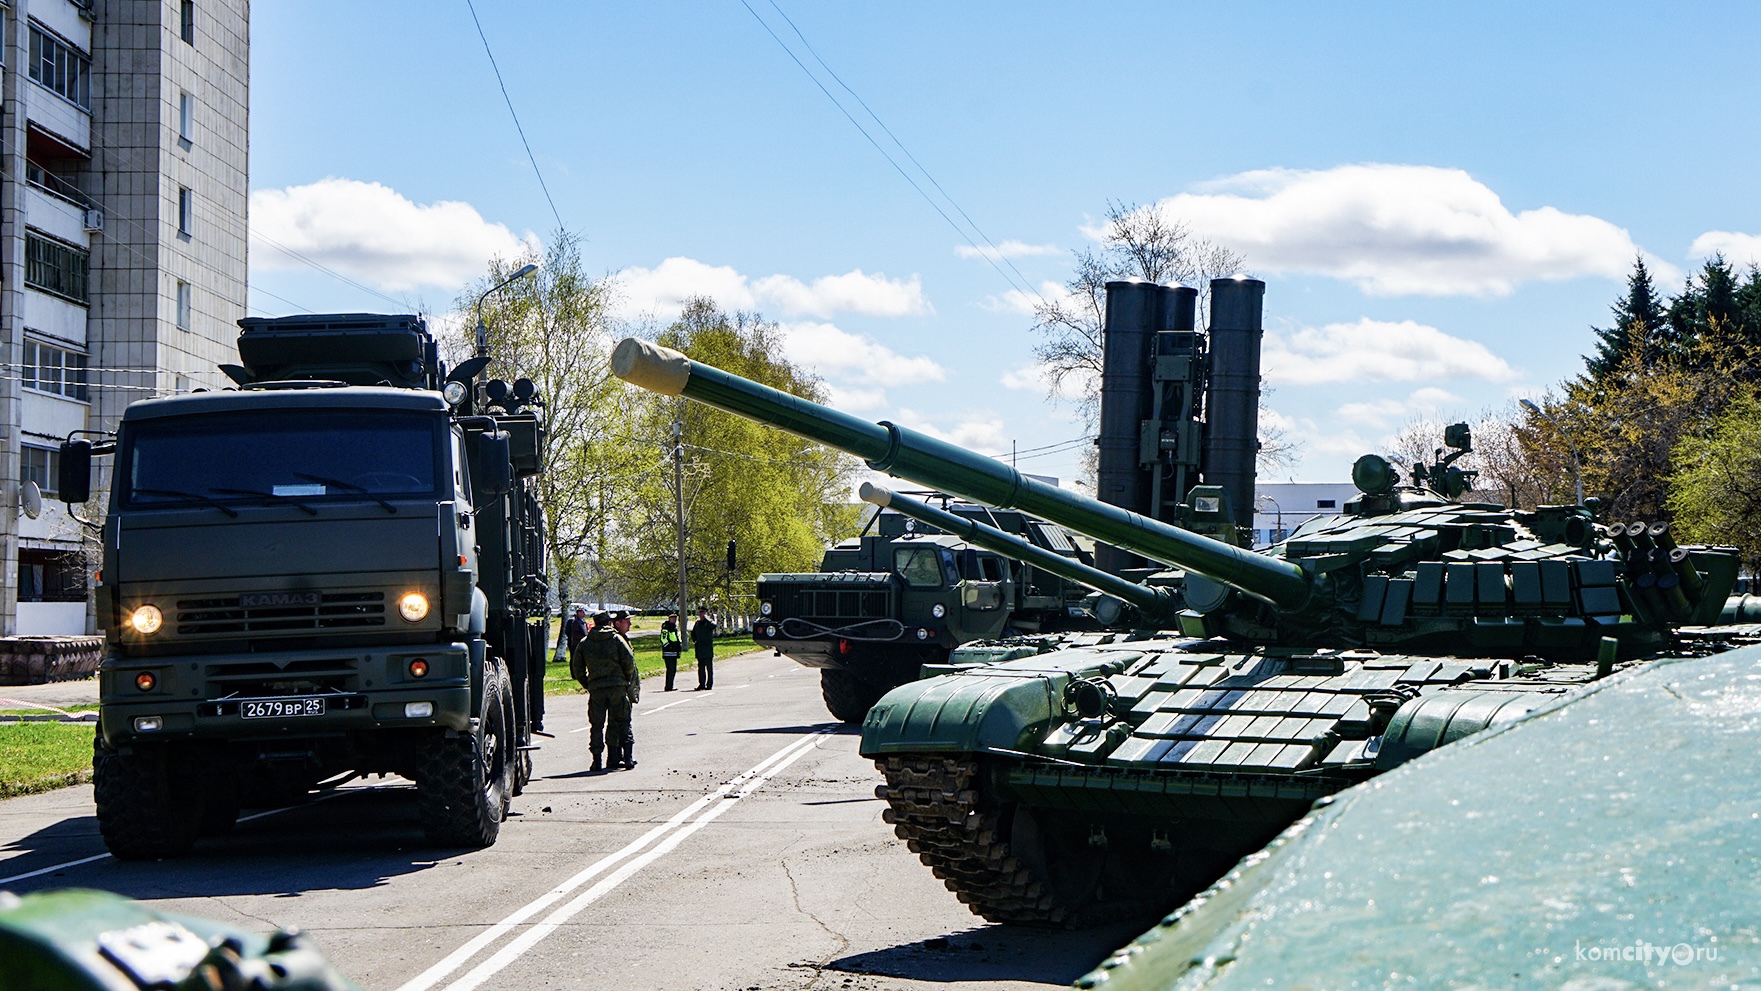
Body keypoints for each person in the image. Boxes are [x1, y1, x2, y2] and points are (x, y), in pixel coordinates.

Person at [571, 610, 640, 771]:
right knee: (623, 722)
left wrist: (588, 683)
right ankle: (628, 758)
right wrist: (626, 680)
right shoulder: (616, 639)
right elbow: (629, 661)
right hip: (617, 687)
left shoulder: (585, 642)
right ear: (609, 622)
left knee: (596, 725)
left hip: (597, 689)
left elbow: (577, 668)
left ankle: (596, 761)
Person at [691, 607, 717, 691]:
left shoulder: (708, 623)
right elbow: (693, 633)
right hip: (699, 649)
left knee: (709, 668)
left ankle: (709, 685)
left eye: (703, 613)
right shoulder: (698, 623)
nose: (701, 614)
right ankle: (701, 684)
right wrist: (695, 640)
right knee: (701, 668)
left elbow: (714, 626)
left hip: (707, 649)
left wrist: (707, 619)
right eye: (700, 613)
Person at [659, 613, 683, 691]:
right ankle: (668, 686)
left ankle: (670, 685)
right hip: (668, 652)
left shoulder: (675, 627)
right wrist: (670, 646)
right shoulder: (666, 627)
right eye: (672, 618)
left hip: (674, 652)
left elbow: (677, 638)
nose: (674, 620)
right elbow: (663, 639)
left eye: (675, 618)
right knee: (670, 669)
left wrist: (679, 647)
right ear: (669, 618)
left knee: (673, 669)